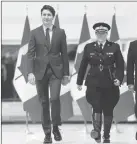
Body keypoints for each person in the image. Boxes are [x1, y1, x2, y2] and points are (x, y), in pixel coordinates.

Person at [27, 5, 70, 143]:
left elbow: (64, 54)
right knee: (44, 102)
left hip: (56, 71)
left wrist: (66, 73)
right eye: (44, 14)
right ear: (41, 16)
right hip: (40, 72)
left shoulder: (60, 32)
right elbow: (30, 54)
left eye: (49, 15)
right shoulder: (34, 33)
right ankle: (47, 133)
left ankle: (56, 127)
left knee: (55, 99)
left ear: (53, 16)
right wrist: (30, 72)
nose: (46, 17)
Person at [77, 22, 124, 143]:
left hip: (110, 82)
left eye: (103, 32)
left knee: (108, 109)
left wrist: (119, 78)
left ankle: (106, 136)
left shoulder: (114, 47)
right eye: (98, 32)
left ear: (107, 33)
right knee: (96, 107)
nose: (100, 34)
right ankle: (97, 133)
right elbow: (83, 65)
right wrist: (79, 81)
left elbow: (120, 65)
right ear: (95, 33)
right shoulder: (89, 47)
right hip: (93, 82)